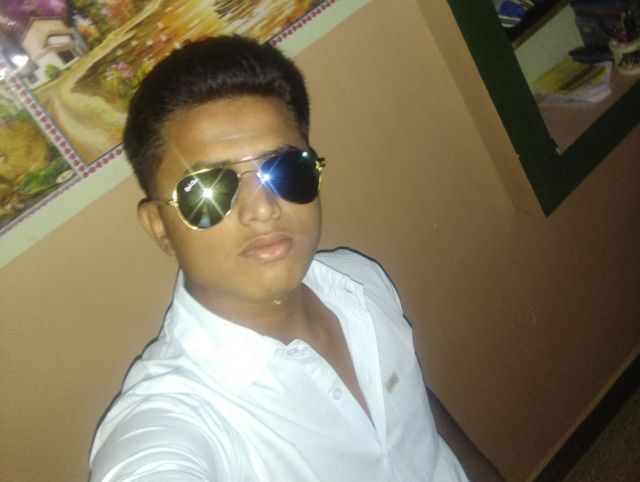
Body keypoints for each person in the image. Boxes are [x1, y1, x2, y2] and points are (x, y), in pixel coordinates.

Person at [89, 35, 470, 481]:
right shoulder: (177, 414)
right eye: (209, 189)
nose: (263, 209)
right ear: (159, 226)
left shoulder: (360, 281)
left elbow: (418, 419)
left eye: (284, 169)